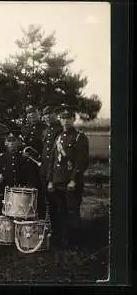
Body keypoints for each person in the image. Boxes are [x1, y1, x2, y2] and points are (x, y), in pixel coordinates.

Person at [46, 105, 89, 247]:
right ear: (59, 119)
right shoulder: (58, 137)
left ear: (73, 119)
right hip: (57, 180)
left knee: (72, 211)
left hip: (70, 182)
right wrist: (51, 180)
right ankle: (62, 239)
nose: (65, 121)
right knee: (60, 211)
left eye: (68, 118)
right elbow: (53, 161)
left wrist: (73, 180)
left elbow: (81, 161)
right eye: (63, 118)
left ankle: (75, 242)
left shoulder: (79, 137)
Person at [0, 129, 45, 218]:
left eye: (14, 141)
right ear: (5, 143)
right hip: (6, 194)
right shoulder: (0, 158)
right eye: (9, 141)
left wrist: (28, 191)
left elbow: (31, 177)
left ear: (18, 142)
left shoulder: (25, 158)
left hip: (23, 195)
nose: (11, 143)